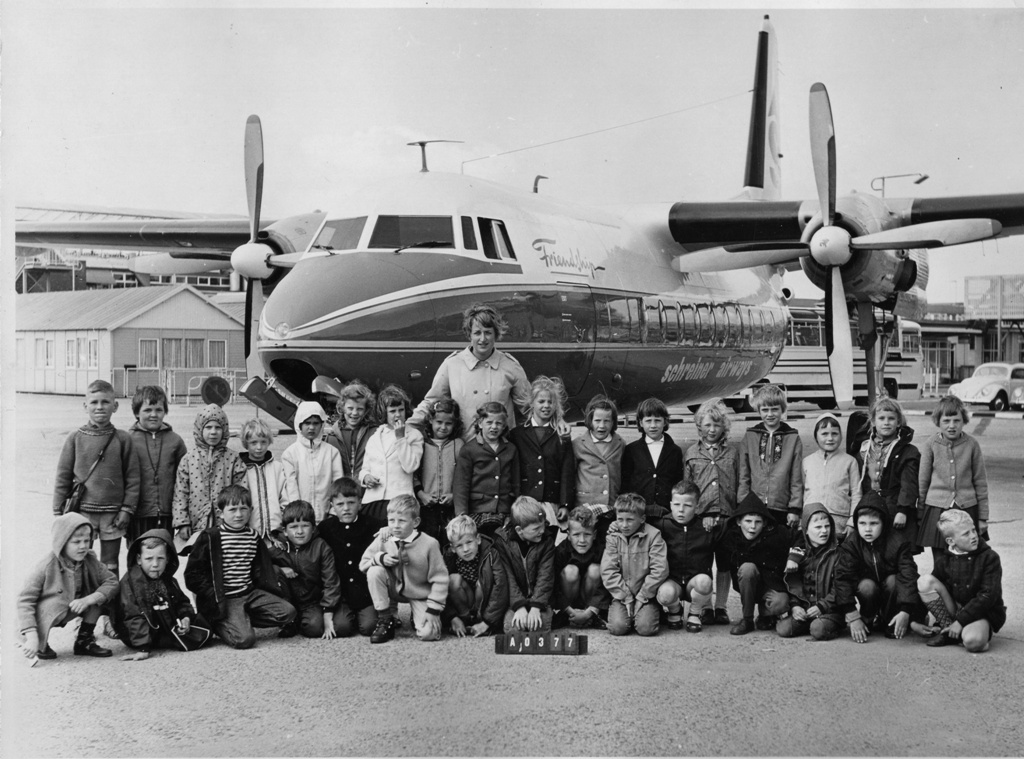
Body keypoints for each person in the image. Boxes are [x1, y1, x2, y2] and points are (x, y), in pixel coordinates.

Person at [184, 485, 296, 649]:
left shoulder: (253, 536)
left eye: (243, 509)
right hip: (225, 598)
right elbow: (193, 575)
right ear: (221, 512)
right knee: (244, 640)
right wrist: (211, 595)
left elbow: (262, 564)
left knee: (288, 612)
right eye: (233, 509)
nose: (238, 514)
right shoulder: (210, 537)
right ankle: (218, 622)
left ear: (250, 510)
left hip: (249, 592)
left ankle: (242, 619)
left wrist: (281, 568)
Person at [52, 379, 140, 579]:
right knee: (78, 560)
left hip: (113, 514)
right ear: (85, 406)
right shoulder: (75, 438)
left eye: (105, 402)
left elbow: (133, 478)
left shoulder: (123, 439)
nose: (99, 407)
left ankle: (109, 606)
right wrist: (59, 511)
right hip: (81, 512)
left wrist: (127, 509)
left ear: (115, 406)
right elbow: (63, 475)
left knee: (110, 564)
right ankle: (81, 603)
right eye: (94, 402)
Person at [409, 303, 531, 440]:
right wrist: (408, 426)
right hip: (464, 451)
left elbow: (529, 407)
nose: (483, 339)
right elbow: (432, 402)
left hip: (500, 453)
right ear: (469, 335)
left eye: (488, 332)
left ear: (496, 334)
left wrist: (556, 421)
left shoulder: (510, 366)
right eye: (477, 333)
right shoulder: (452, 364)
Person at [18, 513, 119, 662]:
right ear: (62, 542)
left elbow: (112, 581)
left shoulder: (89, 559)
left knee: (99, 594)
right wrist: (32, 637)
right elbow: (25, 601)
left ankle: (83, 641)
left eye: (87, 540)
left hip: (75, 606)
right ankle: (38, 641)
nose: (83, 546)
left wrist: (89, 599)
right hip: (49, 612)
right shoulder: (46, 565)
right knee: (50, 607)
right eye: (76, 541)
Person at [360, 494, 448, 644]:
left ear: (415, 522)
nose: (395, 526)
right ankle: (385, 618)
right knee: (375, 571)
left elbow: (440, 579)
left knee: (429, 634)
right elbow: (364, 565)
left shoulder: (430, 544)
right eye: (391, 520)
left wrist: (433, 610)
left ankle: (417, 614)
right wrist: (380, 558)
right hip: (393, 588)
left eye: (401, 521)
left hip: (419, 592)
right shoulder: (384, 538)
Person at [834, 493, 921, 644]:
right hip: (869, 592)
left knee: (894, 581)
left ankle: (889, 621)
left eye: (874, 523)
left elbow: (908, 574)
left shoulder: (898, 541)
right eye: (862, 523)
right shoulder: (852, 543)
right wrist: (852, 616)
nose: (867, 529)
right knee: (866, 586)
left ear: (884, 522)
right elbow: (843, 578)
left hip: (890, 592)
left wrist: (905, 610)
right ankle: (867, 618)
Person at [683, 398, 739, 627]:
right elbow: (687, 487)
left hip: (727, 516)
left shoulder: (733, 453)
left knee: (724, 563)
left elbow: (739, 483)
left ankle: (722, 607)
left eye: (716, 425)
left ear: (723, 427)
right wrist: (696, 513)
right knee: (703, 563)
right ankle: (705, 607)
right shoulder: (691, 453)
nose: (712, 430)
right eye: (707, 425)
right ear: (699, 427)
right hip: (701, 519)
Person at [916, 509, 1005, 652]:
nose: (974, 536)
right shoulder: (944, 559)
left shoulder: (990, 558)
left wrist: (961, 622)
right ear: (951, 541)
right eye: (966, 534)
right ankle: (947, 628)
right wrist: (915, 620)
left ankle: (970, 632)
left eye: (973, 530)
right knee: (925, 581)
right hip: (955, 608)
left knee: (972, 642)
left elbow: (988, 595)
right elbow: (933, 589)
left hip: (980, 612)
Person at [113, 529, 210, 660]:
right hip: (134, 633)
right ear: (139, 559)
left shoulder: (169, 580)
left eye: (160, 558)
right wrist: (143, 648)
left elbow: (182, 602)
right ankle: (149, 641)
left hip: (162, 625)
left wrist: (185, 618)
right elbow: (132, 616)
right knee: (191, 638)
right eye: (148, 559)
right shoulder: (130, 583)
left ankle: (165, 637)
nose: (155, 564)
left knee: (205, 628)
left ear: (168, 559)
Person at [916, 395, 989, 555]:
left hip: (967, 509)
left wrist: (983, 517)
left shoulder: (972, 444)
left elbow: (980, 482)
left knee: (967, 557)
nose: (951, 426)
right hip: (936, 509)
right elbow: (923, 482)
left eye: (956, 420)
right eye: (946, 421)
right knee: (941, 559)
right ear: (938, 422)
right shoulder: (931, 444)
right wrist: (920, 514)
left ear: (964, 421)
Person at [653, 482, 723, 633]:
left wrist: (711, 518)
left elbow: (727, 529)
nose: (681, 510)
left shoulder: (705, 527)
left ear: (697, 507)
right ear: (670, 504)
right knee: (665, 594)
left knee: (705, 582)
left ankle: (694, 612)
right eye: (677, 504)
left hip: (694, 581)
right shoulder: (662, 525)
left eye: (688, 506)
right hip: (673, 581)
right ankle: (675, 610)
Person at [718, 492, 791, 635]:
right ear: (739, 522)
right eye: (748, 521)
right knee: (747, 568)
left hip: (770, 585)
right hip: (747, 583)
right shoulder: (731, 537)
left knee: (781, 603)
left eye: (757, 522)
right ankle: (747, 620)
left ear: (764, 523)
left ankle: (765, 615)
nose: (752, 527)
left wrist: (794, 557)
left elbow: (797, 537)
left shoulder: (776, 534)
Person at [852, 396, 920, 547]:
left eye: (891, 418)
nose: (886, 422)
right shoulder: (863, 448)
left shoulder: (907, 451)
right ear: (873, 422)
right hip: (869, 508)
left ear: (899, 422)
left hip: (894, 508)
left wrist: (902, 510)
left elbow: (909, 484)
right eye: (881, 418)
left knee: (895, 550)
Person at [172, 403, 246, 541]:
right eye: (208, 427)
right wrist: (182, 522)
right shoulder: (188, 459)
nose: (213, 432)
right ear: (200, 429)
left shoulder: (233, 458)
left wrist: (238, 517)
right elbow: (181, 492)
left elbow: (242, 490)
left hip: (227, 524)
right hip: (196, 522)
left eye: (218, 427)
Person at [270, 500, 344, 640]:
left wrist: (327, 614)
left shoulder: (320, 547)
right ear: (285, 531)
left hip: (311, 601)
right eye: (293, 527)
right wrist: (279, 569)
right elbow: (260, 566)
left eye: (305, 526)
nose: (299, 531)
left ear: (314, 528)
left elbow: (330, 580)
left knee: (316, 628)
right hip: (287, 602)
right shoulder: (278, 548)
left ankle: (299, 620)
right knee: (273, 571)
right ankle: (289, 619)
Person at [510, 376, 576, 526]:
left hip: (551, 503)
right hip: (525, 502)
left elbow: (567, 471)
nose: (546, 406)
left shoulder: (561, 434)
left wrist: (565, 504)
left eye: (550, 402)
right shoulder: (517, 434)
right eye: (541, 401)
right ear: (532, 403)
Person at [601, 492, 669, 637]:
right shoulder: (613, 537)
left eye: (630, 520)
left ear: (642, 518)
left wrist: (642, 597)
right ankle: (625, 611)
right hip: (621, 594)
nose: (624, 525)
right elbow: (608, 570)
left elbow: (660, 570)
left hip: (646, 594)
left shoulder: (654, 535)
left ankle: (652, 610)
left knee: (646, 629)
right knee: (618, 628)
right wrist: (625, 597)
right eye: (620, 520)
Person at [317, 477, 378, 637]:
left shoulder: (373, 525)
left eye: (351, 502)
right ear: (332, 506)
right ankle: (347, 615)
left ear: (360, 502)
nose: (346, 508)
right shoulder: (325, 528)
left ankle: (364, 615)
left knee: (370, 627)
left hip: (366, 592)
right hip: (341, 594)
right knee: (342, 628)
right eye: (340, 504)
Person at [358, 384, 424, 531]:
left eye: (401, 410)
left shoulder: (413, 435)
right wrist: (366, 477)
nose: (397, 415)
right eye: (392, 411)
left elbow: (411, 466)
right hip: (373, 501)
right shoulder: (375, 437)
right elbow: (365, 468)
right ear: (384, 413)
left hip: (400, 501)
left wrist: (401, 438)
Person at [738, 383, 803, 531]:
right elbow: (744, 473)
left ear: (782, 409)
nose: (770, 414)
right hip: (755, 506)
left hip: (782, 507)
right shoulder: (750, 436)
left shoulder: (792, 437)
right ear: (758, 410)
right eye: (765, 410)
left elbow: (796, 476)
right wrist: (743, 503)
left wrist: (794, 508)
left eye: (775, 409)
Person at [128, 385, 187, 541]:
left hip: (166, 513)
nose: (153, 415)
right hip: (138, 514)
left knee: (164, 556)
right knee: (138, 556)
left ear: (165, 411)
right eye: (147, 410)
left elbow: (185, 480)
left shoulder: (175, 441)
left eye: (159, 410)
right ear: (136, 412)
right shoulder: (127, 440)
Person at [777, 504, 844, 641]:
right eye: (818, 527)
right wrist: (795, 606)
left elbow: (840, 587)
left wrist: (822, 606)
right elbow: (793, 584)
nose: (824, 531)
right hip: (806, 609)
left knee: (818, 629)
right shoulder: (798, 555)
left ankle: (831, 626)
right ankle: (810, 624)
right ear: (806, 530)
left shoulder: (837, 554)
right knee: (783, 629)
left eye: (827, 526)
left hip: (829, 610)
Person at [493, 496, 558, 634]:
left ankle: (552, 615)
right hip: (515, 599)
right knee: (513, 630)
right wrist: (519, 606)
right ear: (519, 530)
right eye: (536, 529)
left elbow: (545, 576)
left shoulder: (547, 541)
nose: (542, 531)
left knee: (539, 629)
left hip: (540, 599)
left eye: (543, 525)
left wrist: (536, 607)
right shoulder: (502, 542)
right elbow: (508, 577)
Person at [453, 402, 520, 535]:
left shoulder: (511, 449)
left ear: (504, 426)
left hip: (503, 511)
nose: (494, 427)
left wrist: (515, 511)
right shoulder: (469, 449)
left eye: (499, 423)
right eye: (489, 422)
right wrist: (462, 515)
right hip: (477, 511)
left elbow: (516, 483)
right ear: (479, 423)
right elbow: (461, 485)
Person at [620, 397, 684, 518]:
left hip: (666, 512)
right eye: (648, 420)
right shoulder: (631, 450)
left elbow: (678, 482)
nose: (653, 425)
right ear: (640, 423)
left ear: (665, 422)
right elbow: (626, 483)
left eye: (657, 420)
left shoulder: (675, 451)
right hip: (638, 512)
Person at [282, 401, 344, 523]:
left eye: (316, 423)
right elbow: (291, 488)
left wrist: (333, 512)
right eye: (307, 423)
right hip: (301, 519)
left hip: (327, 517)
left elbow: (338, 485)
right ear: (299, 425)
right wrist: (298, 515)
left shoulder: (332, 452)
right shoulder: (290, 454)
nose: (311, 427)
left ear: (322, 425)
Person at [415, 398, 464, 549]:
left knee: (449, 544)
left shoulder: (459, 445)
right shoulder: (421, 444)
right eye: (439, 422)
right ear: (430, 420)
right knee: (427, 544)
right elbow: (412, 474)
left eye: (448, 423)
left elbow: (464, 475)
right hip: (426, 506)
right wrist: (422, 495)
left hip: (450, 506)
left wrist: (454, 495)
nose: (443, 427)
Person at [443, 514, 503, 637]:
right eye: (459, 545)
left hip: (483, 600)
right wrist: (452, 617)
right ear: (453, 548)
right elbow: (438, 587)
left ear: (478, 539)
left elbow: (500, 585)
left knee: (481, 582)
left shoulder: (491, 553)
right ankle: (465, 619)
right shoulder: (449, 556)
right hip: (464, 598)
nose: (466, 549)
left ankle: (479, 619)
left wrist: (488, 621)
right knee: (453, 579)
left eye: (469, 542)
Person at [802, 412, 861, 535]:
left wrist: (852, 520)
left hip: (840, 522)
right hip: (813, 521)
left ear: (841, 436)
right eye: (824, 434)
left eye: (834, 433)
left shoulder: (849, 461)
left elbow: (856, 493)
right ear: (815, 436)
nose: (830, 438)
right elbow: (801, 491)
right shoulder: (807, 462)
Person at [552, 506, 609, 629]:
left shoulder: (601, 549)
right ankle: (568, 616)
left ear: (594, 535)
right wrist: (568, 610)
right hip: (569, 602)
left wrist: (590, 612)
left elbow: (606, 584)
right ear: (568, 535)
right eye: (576, 535)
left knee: (596, 569)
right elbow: (554, 585)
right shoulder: (561, 551)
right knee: (570, 571)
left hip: (591, 601)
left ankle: (592, 616)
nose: (582, 540)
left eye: (587, 534)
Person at [572, 395, 625, 516]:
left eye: (607, 421)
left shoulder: (620, 444)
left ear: (613, 422)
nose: (601, 426)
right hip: (585, 506)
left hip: (611, 507)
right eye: (597, 421)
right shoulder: (577, 444)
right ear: (590, 420)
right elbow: (571, 477)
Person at [239, 417, 287, 542]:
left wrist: (280, 523)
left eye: (263, 442)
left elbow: (285, 498)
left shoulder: (277, 468)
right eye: (254, 443)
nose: (259, 447)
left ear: (269, 442)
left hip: (276, 534)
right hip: (249, 533)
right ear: (246, 443)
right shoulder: (240, 469)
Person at [324, 380, 378, 480]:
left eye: (360, 409)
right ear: (342, 408)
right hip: (342, 492)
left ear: (366, 410)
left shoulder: (374, 433)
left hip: (368, 491)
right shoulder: (332, 437)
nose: (354, 413)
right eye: (350, 408)